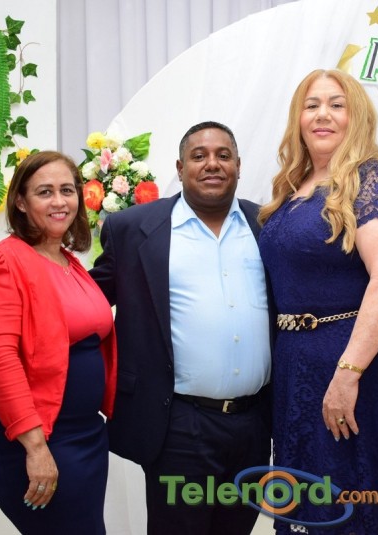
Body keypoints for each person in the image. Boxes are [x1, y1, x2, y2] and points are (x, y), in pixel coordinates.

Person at [258, 69, 378, 534]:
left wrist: (348, 373)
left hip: (355, 364)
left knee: (354, 503)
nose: (322, 115)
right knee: (309, 504)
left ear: (358, 116)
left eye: (336, 104)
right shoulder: (293, 185)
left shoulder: (373, 179)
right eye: (311, 105)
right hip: (298, 367)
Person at [90, 121, 272, 535]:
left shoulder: (266, 224)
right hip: (179, 427)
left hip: (254, 425)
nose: (212, 164)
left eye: (223, 155)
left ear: (239, 165)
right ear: (180, 167)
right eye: (199, 155)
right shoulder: (133, 229)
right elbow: (87, 301)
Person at [0, 151, 117, 534]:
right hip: (32, 439)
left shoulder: (69, 262)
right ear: (20, 201)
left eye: (67, 190)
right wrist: (35, 447)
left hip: (86, 436)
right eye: (44, 192)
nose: (59, 201)